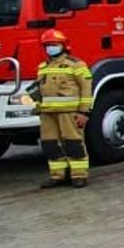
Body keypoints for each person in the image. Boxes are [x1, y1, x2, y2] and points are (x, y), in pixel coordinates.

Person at [34, 29, 93, 188]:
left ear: (64, 46)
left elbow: (86, 90)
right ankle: (57, 176)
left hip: (70, 113)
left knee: (74, 143)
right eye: (47, 45)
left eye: (54, 45)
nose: (50, 48)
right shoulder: (42, 67)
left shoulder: (76, 65)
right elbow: (40, 91)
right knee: (50, 145)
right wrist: (38, 108)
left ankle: (79, 175)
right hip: (47, 113)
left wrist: (84, 112)